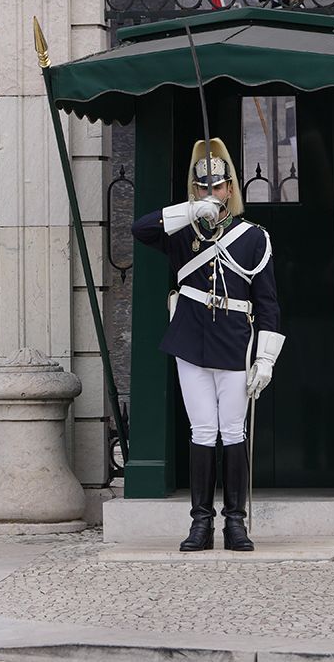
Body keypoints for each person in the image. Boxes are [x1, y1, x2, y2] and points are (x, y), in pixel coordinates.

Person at [131, 139, 284, 553]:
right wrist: (189, 211)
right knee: (202, 429)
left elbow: (268, 302)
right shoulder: (183, 233)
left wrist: (266, 357)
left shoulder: (253, 238)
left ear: (230, 189)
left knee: (232, 430)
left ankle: (235, 523)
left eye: (217, 187)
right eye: (203, 187)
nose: (211, 193)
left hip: (234, 340)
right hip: (190, 338)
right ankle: (201, 523)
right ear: (194, 189)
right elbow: (141, 229)